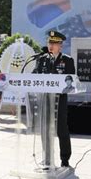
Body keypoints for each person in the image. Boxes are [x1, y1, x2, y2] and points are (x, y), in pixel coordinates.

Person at [33, 30, 75, 167]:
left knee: (61, 129)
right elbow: (35, 75)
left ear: (60, 46)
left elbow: (71, 80)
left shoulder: (67, 60)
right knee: (45, 129)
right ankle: (47, 158)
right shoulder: (42, 59)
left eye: (54, 43)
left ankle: (65, 159)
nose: (51, 45)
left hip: (59, 100)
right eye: (49, 42)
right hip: (45, 99)